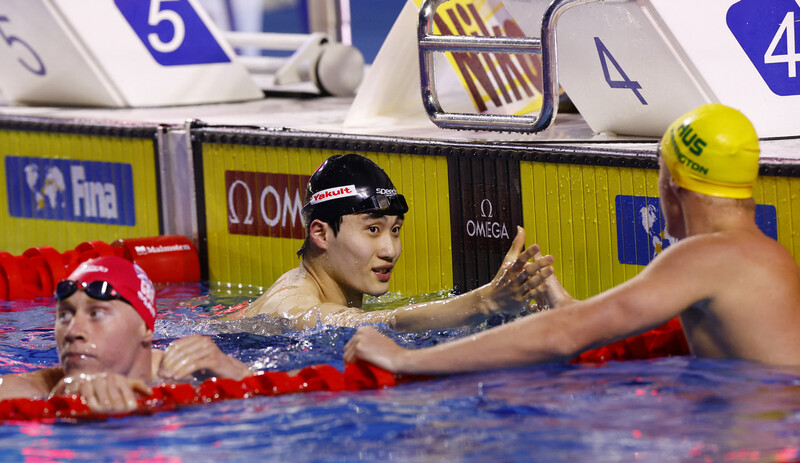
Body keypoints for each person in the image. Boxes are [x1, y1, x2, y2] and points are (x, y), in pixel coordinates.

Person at [344, 103, 800, 373]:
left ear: (673, 184)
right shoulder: (765, 256)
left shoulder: (706, 256)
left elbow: (563, 338)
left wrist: (403, 360)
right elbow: (599, 322)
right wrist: (564, 304)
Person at [245, 153, 559, 330]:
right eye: (372, 230)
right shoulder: (287, 305)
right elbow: (371, 323)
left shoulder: (326, 288)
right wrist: (485, 301)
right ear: (321, 233)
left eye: (395, 230)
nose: (390, 250)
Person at [0, 256, 253, 412]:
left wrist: (242, 378)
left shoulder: (194, 375)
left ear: (145, 328)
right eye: (64, 315)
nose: (73, 332)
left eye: (96, 314)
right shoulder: (24, 390)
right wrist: (59, 401)